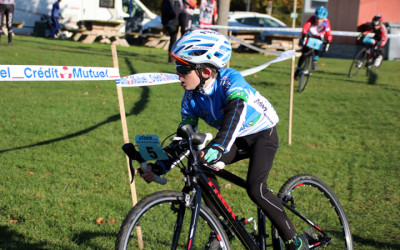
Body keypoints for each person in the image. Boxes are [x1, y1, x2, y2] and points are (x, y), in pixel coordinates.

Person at [141, 30, 309, 250]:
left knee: (256, 188)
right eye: (177, 68)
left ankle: (295, 240)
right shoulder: (190, 97)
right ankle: (225, 227)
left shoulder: (231, 80)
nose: (178, 75)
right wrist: (159, 165)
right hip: (234, 137)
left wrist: (219, 146)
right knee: (201, 168)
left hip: (261, 133)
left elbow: (235, 113)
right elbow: (186, 138)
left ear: (206, 71)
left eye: (183, 69)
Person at [295, 6, 332, 77]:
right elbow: (305, 27)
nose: (318, 20)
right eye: (317, 18)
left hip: (319, 36)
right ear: (315, 16)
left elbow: (328, 33)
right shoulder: (311, 19)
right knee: (304, 53)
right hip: (310, 35)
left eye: (321, 19)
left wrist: (328, 40)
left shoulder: (326, 23)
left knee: (319, 48)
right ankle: (298, 68)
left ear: (324, 19)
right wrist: (304, 34)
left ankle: (315, 60)